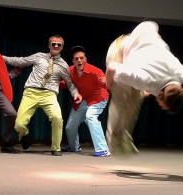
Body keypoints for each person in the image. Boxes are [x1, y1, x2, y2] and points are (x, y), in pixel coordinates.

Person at [105, 21, 183, 155]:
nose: (161, 107)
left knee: (136, 99)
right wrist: (109, 85)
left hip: (144, 35)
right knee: (123, 100)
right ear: (161, 95)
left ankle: (125, 137)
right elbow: (112, 67)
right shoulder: (144, 79)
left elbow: (151, 24)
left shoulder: (180, 74)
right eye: (163, 105)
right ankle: (115, 140)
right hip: (119, 52)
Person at [2, 35, 82, 156]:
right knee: (18, 124)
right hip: (31, 92)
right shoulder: (39, 56)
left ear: (62, 47)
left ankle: (56, 147)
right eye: (53, 44)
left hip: (49, 94)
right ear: (49, 45)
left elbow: (70, 84)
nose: (56, 46)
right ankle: (25, 134)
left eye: (58, 44)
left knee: (57, 118)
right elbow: (20, 61)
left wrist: (75, 93)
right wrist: (0, 58)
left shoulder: (64, 66)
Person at [60, 46, 110, 157]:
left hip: (98, 98)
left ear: (85, 59)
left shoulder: (95, 71)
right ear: (73, 61)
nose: (79, 60)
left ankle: (103, 149)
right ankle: (74, 146)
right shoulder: (70, 71)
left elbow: (106, 83)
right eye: (76, 58)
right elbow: (65, 83)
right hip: (83, 99)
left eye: (81, 58)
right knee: (70, 126)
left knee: (90, 117)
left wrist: (108, 81)